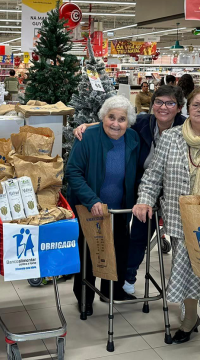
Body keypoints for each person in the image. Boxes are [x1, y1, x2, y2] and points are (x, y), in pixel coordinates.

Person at [73, 86, 186, 295]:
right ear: (152, 104)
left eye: (170, 103)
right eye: (159, 102)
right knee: (110, 245)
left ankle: (118, 290)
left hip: (161, 194)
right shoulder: (143, 122)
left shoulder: (183, 129)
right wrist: (88, 126)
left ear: (179, 108)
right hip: (125, 196)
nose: (163, 107)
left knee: (127, 245)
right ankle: (103, 290)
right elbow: (115, 121)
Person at [133, 87, 200, 344]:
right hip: (181, 217)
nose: (199, 111)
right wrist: (144, 201)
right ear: (187, 108)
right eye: (196, 106)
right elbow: (153, 176)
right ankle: (189, 318)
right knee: (188, 268)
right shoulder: (171, 138)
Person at [66, 95, 139, 316]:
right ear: (102, 118)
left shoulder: (133, 139)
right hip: (90, 209)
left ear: (129, 121)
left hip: (120, 209)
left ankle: (113, 291)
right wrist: (92, 200)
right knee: (88, 254)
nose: (116, 124)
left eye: (122, 119)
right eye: (111, 117)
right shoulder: (88, 137)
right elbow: (73, 172)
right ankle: (85, 297)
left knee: (118, 251)